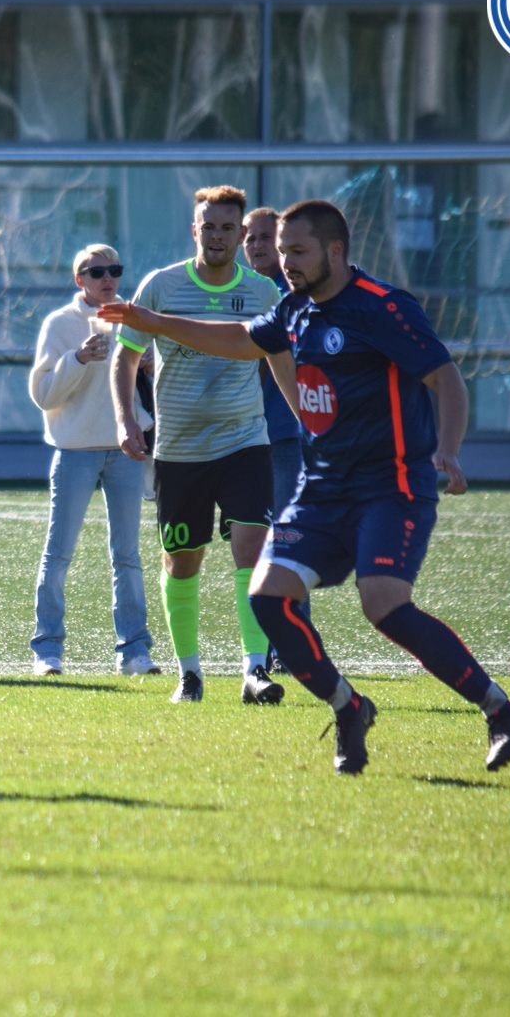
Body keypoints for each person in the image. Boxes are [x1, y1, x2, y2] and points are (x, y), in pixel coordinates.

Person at [99, 199, 510, 774]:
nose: (285, 262)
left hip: (389, 485)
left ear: (336, 250)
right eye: (282, 251)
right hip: (323, 487)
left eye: (298, 251)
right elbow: (239, 339)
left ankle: (503, 710)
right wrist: (155, 323)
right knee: (268, 597)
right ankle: (348, 706)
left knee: (383, 605)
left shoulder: (383, 306)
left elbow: (446, 379)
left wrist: (448, 450)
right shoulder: (294, 309)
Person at [107, 185, 284, 706]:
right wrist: (126, 419)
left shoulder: (264, 293)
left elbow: (281, 362)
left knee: (251, 549)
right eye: (209, 226)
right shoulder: (161, 286)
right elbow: (126, 356)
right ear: (194, 230)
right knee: (182, 561)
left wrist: (312, 424)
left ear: (242, 235)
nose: (218, 236)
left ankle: (255, 670)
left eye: (228, 228)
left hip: (246, 441)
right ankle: (189, 674)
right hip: (180, 449)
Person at [28, 245, 156, 677]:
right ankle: (47, 651)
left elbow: (161, 378)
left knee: (128, 556)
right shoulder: (60, 323)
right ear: (79, 279)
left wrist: (151, 365)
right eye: (96, 271)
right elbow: (44, 395)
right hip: (74, 452)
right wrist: (77, 359)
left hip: (125, 451)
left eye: (114, 270)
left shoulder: (134, 318)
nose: (107, 278)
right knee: (58, 554)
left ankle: (134, 652)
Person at [244, 206, 308, 674]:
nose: (257, 245)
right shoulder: (238, 293)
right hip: (240, 437)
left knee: (286, 539)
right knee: (249, 546)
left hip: (285, 436)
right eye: (250, 238)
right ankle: (260, 646)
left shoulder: (297, 296)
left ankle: (292, 645)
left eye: (266, 237)